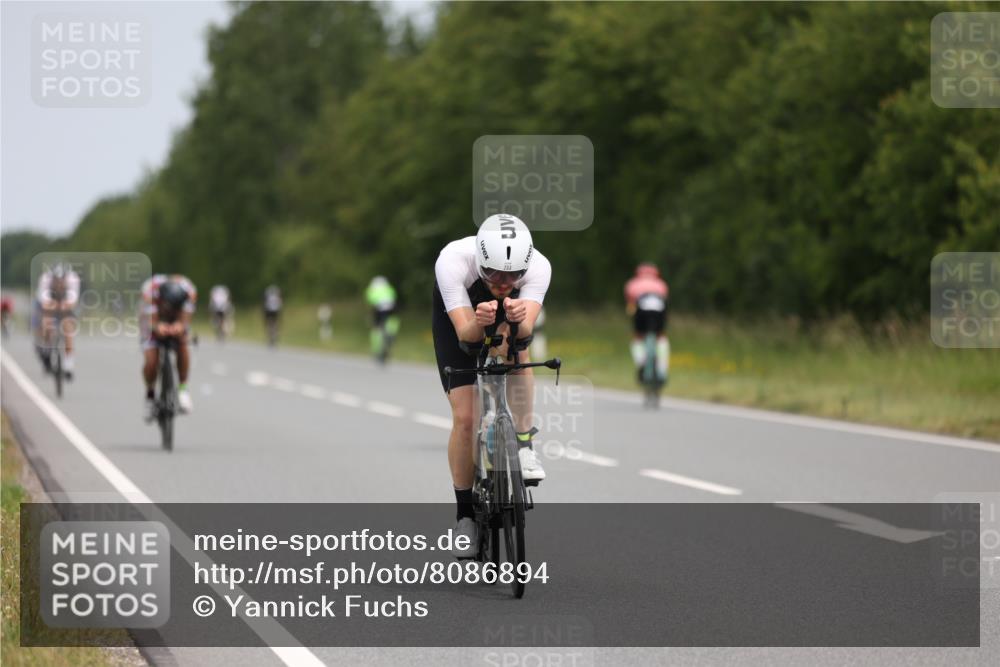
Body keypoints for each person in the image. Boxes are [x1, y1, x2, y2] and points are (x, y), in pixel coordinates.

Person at [432, 213, 551, 557]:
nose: (503, 281)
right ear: (481, 261)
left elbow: (524, 331)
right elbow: (466, 337)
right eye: (495, 273)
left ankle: (525, 444)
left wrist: (514, 321)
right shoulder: (453, 262)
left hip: (508, 320)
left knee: (516, 350)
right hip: (462, 316)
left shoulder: (539, 267)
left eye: (513, 275)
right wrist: (478, 322)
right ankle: (465, 515)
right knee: (467, 418)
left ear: (526, 267)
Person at [140, 274, 197, 418]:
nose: (172, 310)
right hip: (153, 319)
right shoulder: (151, 293)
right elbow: (150, 322)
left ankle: (183, 389)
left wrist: (179, 327)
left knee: (183, 342)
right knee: (151, 361)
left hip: (175, 319)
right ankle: (150, 394)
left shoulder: (189, 293)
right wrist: (158, 327)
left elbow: (185, 321)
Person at [624, 262, 670, 386]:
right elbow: (665, 300)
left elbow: (630, 306)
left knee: (638, 337)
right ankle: (662, 368)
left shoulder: (632, 284)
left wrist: (632, 316)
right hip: (659, 310)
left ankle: (642, 362)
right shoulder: (661, 284)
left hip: (641, 310)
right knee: (660, 336)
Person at [37, 263, 81, 377]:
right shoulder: (45, 279)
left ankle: (68, 365)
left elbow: (72, 301)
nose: (59, 283)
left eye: (61, 280)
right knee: (46, 323)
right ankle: (46, 350)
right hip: (50, 304)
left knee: (68, 330)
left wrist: (64, 305)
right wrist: (54, 305)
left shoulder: (73, 279)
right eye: (56, 280)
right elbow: (44, 302)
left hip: (65, 306)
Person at [366, 276, 399, 362]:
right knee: (393, 319)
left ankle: (377, 348)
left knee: (376, 328)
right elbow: (394, 297)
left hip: (378, 309)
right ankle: (391, 332)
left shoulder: (371, 289)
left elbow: (370, 302)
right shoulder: (389, 288)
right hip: (391, 309)